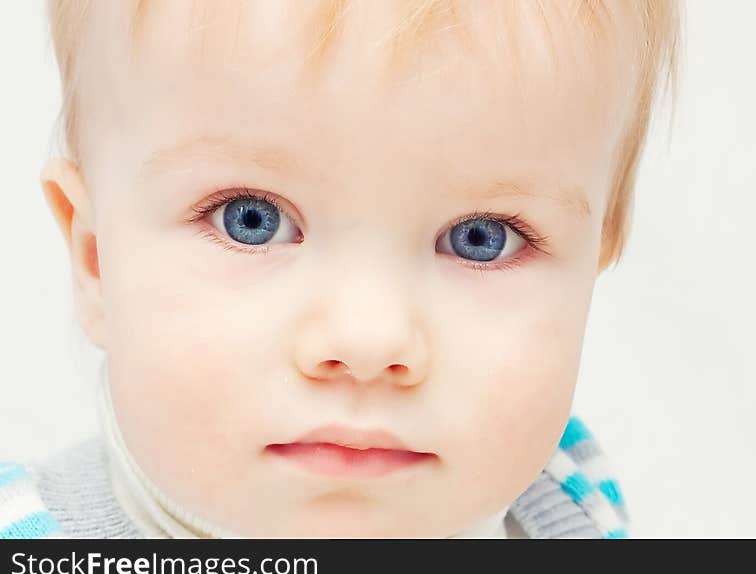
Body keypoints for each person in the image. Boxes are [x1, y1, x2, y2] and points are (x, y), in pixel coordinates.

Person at [0, 0, 679, 538]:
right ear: (94, 258)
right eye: (251, 219)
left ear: (593, 264)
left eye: (482, 238)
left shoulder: (570, 499)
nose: (367, 341)